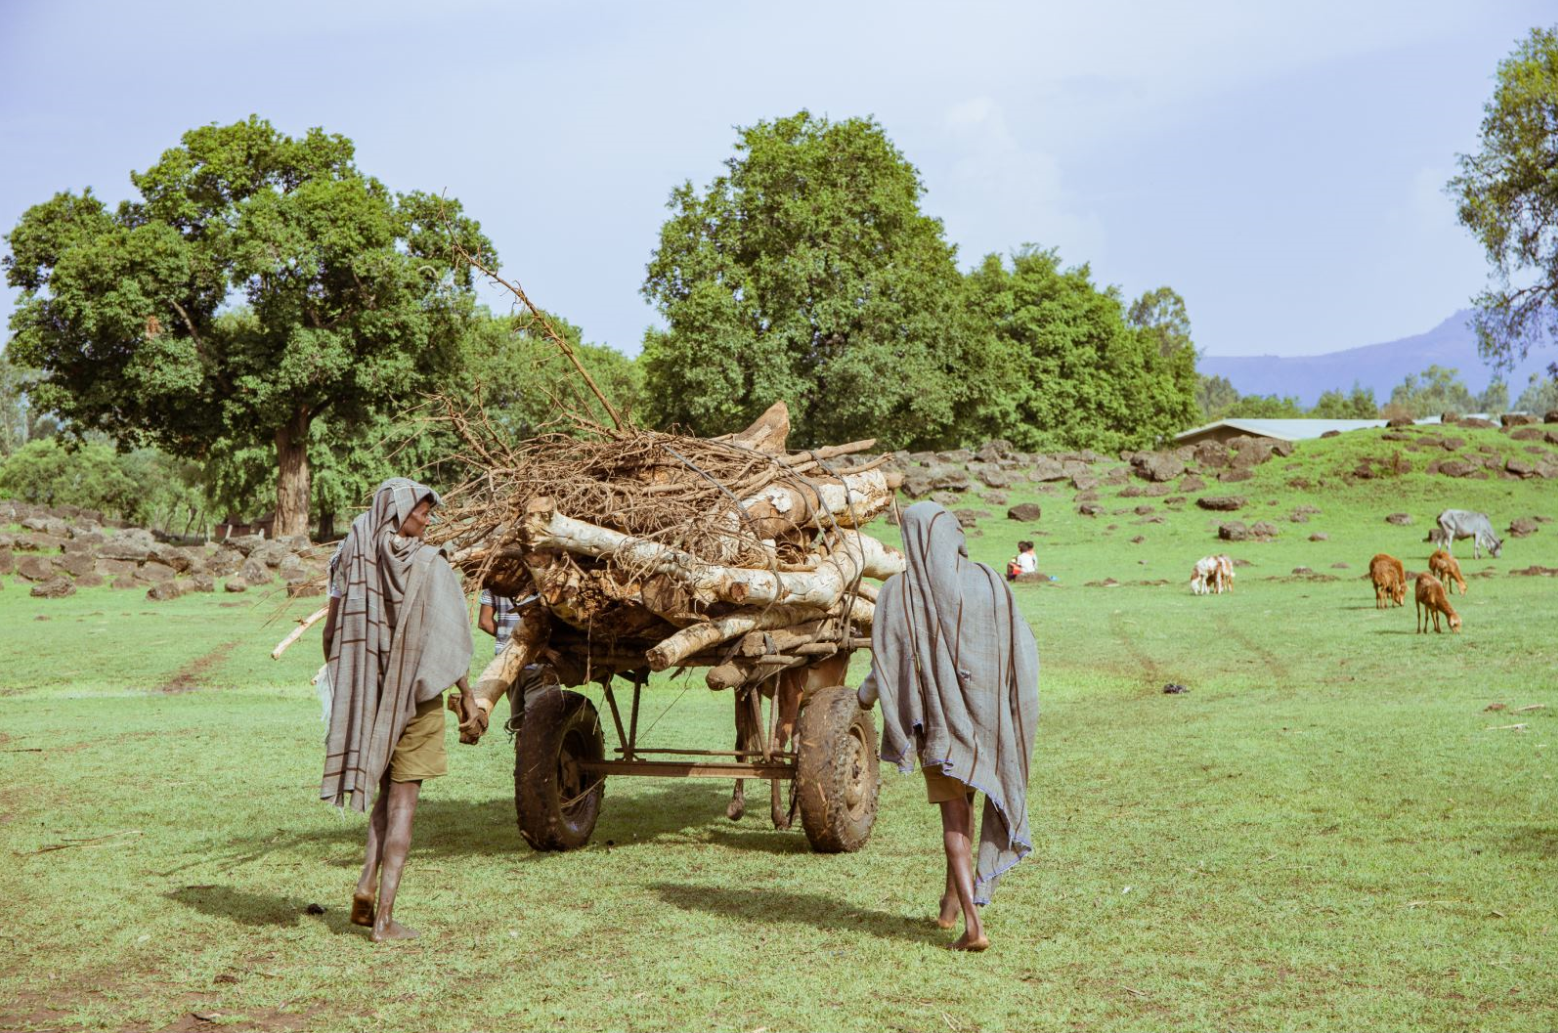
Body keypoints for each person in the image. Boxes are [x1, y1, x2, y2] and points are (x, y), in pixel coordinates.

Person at [858, 501, 1039, 951]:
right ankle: (949, 904)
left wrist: (861, 699)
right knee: (969, 803)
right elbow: (1022, 648)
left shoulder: (900, 593)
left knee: (954, 820)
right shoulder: (990, 581)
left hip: (941, 729)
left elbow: (888, 662)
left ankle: (973, 926)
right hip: (990, 725)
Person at [320, 478, 477, 942]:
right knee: (403, 803)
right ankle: (384, 919)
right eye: (423, 513)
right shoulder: (429, 565)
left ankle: (366, 885)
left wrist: (347, 681)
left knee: (384, 797)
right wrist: (466, 692)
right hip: (415, 699)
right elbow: (449, 640)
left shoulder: (350, 555)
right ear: (399, 512)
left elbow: (331, 632)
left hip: (368, 695)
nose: (428, 522)